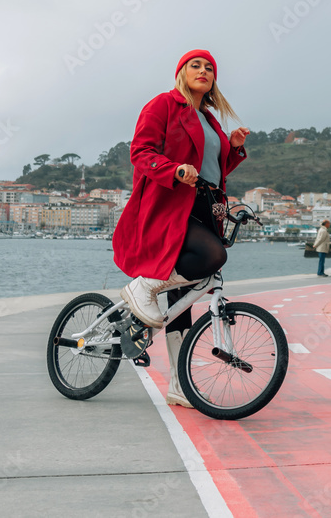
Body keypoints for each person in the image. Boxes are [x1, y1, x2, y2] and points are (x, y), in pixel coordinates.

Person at [112, 49, 249, 408]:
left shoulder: (211, 121)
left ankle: (178, 386)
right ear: (181, 73)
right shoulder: (164, 105)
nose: (203, 70)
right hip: (169, 205)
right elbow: (140, 151)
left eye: (209, 68)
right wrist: (173, 169)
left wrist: (232, 151)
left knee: (181, 308)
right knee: (212, 256)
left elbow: (211, 173)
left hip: (204, 209)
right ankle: (143, 287)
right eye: (195, 65)